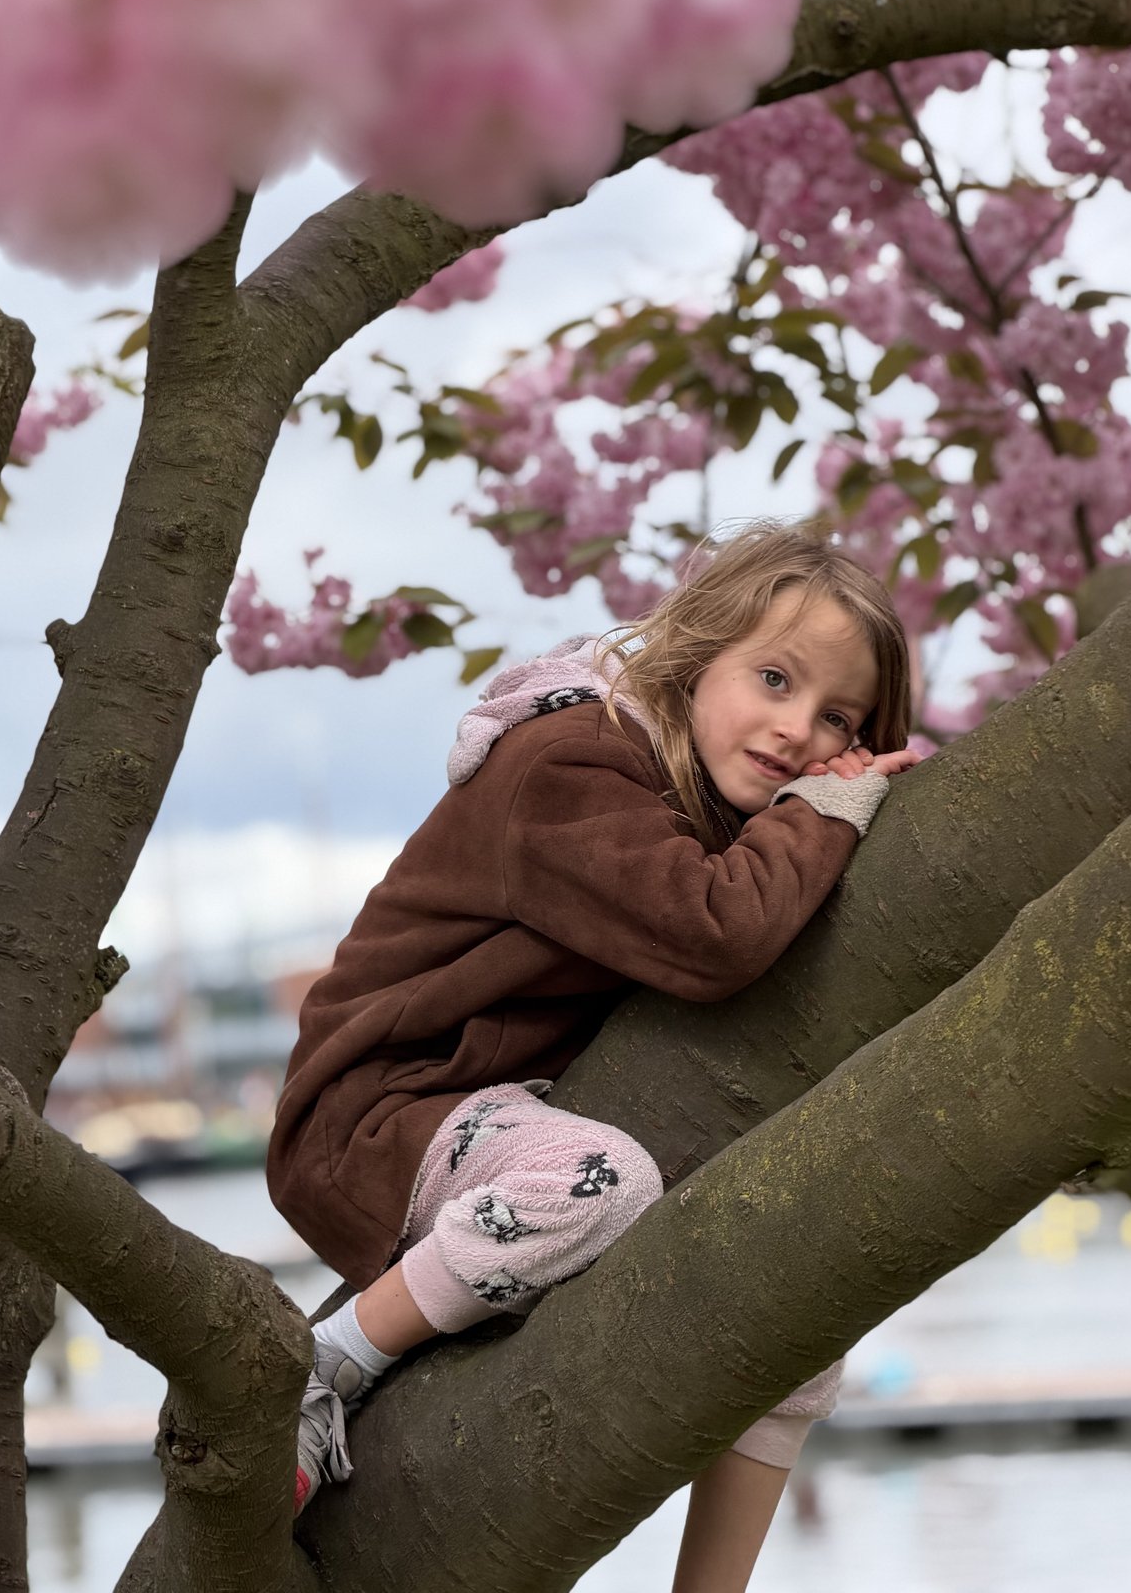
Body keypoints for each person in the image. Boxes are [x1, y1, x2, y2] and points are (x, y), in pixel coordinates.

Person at [268, 520, 921, 1591]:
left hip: (503, 1107)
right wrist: (831, 810)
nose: (797, 730)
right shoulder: (571, 763)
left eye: (837, 720)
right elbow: (712, 935)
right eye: (772, 677)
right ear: (696, 648)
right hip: (379, 1114)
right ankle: (324, 1366)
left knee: (805, 1288)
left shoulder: (702, 800)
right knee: (599, 1184)